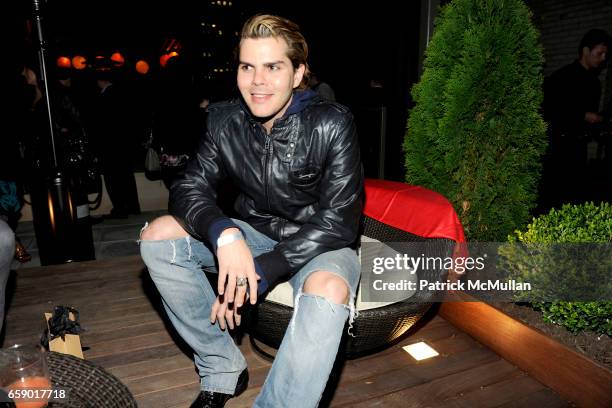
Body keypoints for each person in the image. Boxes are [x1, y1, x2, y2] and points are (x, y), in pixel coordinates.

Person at [139, 14, 363, 408]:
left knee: (329, 289)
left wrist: (263, 269)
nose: (257, 81)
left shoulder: (333, 122)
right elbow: (189, 187)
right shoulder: (224, 119)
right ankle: (221, 366)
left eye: (273, 67)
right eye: (248, 67)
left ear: (298, 74)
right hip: (254, 233)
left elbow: (340, 221)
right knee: (158, 237)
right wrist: (226, 235)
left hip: (320, 243)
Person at [541, 29, 610, 207]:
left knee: (574, 197)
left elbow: (590, 119)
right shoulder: (562, 77)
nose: (603, 58)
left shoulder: (595, 83)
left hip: (579, 149)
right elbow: (548, 109)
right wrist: (582, 115)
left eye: (605, 54)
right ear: (586, 51)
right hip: (557, 149)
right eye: (599, 53)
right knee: (553, 197)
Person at [87, 73, 141, 219]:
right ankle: (132, 206)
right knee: (126, 177)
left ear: (100, 80)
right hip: (123, 145)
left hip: (109, 146)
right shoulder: (122, 93)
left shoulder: (104, 97)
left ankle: (120, 208)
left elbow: (100, 126)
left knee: (113, 179)